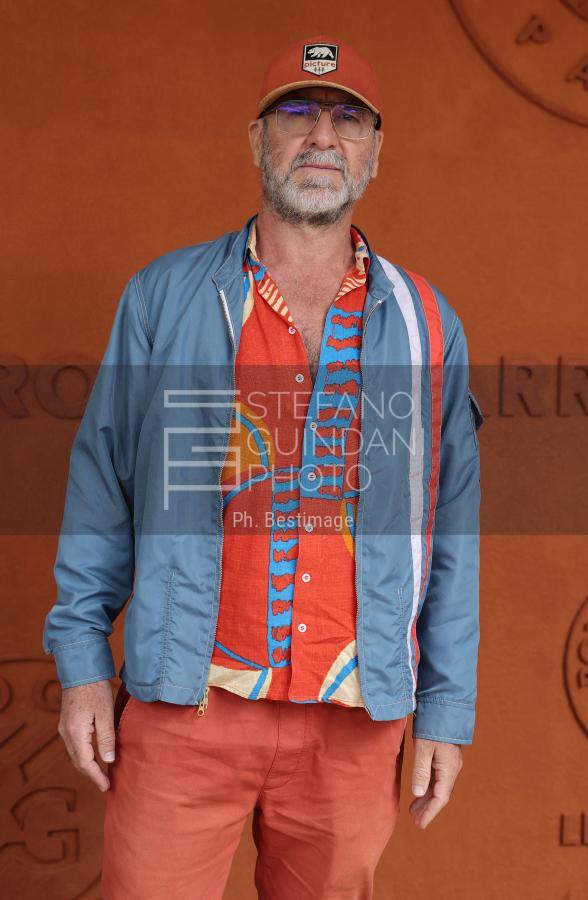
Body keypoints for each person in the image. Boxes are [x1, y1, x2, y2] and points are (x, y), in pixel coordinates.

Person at [42, 33, 483, 899]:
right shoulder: (164, 298)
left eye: (347, 118)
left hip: (353, 724)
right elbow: (102, 486)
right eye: (296, 113)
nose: (322, 136)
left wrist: (446, 706)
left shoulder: (427, 322)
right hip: (187, 704)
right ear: (256, 139)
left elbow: (452, 531)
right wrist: (83, 663)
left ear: (375, 150)